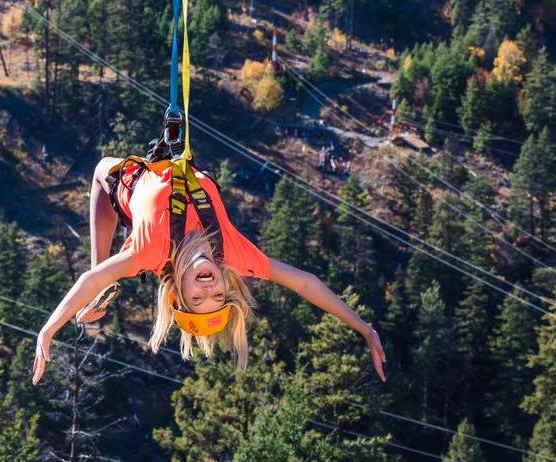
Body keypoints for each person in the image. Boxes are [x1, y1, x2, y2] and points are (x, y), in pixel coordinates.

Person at [31, 155, 387, 385]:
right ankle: (101, 289)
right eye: (218, 295)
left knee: (101, 263)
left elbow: (88, 278)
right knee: (101, 279)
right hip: (180, 162)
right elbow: (306, 284)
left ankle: (101, 288)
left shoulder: (149, 252)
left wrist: (48, 331)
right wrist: (364, 329)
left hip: (120, 183)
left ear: (178, 293)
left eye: (198, 299)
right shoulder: (233, 254)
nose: (208, 289)